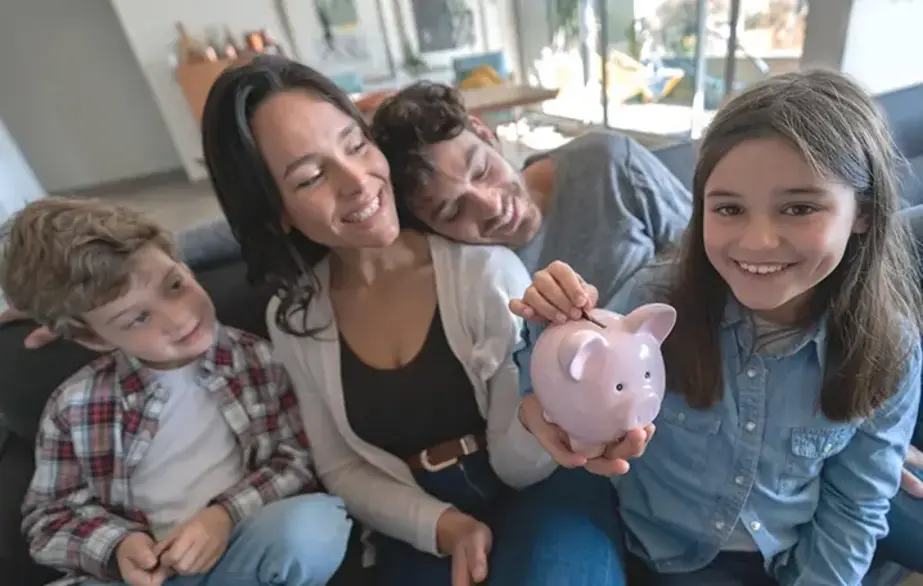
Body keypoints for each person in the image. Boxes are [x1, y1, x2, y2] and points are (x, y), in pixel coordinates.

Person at [198, 55, 640, 586]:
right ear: (277, 212)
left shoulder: (483, 272)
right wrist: (443, 527)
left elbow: (518, 465)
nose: (358, 182)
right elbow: (340, 466)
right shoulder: (294, 319)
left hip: (542, 485)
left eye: (356, 144)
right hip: (417, 515)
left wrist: (538, 407)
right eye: (312, 176)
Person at [510, 70, 923, 585]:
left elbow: (856, 506)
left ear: (862, 212)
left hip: (793, 554)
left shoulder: (890, 349)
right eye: (728, 208)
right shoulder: (652, 301)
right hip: (670, 553)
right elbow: (568, 382)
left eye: (799, 208)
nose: (758, 241)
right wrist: (548, 333)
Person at [0, 198, 352, 586]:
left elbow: (296, 462)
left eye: (175, 285)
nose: (179, 318)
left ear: (182, 262)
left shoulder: (260, 362)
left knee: (315, 526)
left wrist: (223, 516)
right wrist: (117, 546)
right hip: (144, 577)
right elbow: (49, 518)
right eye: (138, 318)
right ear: (92, 338)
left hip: (242, 547)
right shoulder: (74, 407)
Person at [369, 80, 694, 309]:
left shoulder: (606, 163)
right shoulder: (467, 276)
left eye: (482, 170)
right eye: (452, 212)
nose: (491, 205)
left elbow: (706, 252)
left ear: (485, 134)